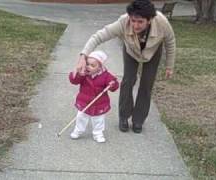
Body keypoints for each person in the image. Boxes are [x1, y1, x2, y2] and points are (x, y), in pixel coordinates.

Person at [75, 0, 176, 133]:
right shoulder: (123, 22)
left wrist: (169, 66)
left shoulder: (162, 22)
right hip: (131, 50)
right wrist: (83, 56)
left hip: (153, 51)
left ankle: (138, 120)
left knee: (146, 84)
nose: (135, 25)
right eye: (133, 20)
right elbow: (99, 36)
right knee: (128, 81)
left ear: (150, 19)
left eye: (140, 22)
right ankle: (124, 116)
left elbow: (170, 42)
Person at [69, 50, 119, 143]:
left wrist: (113, 84)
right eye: (87, 64)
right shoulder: (84, 74)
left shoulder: (106, 76)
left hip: (99, 103)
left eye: (93, 65)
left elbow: (114, 87)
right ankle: (78, 130)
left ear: (100, 67)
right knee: (81, 117)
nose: (89, 67)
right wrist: (77, 73)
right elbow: (74, 81)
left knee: (98, 119)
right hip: (84, 101)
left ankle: (98, 133)